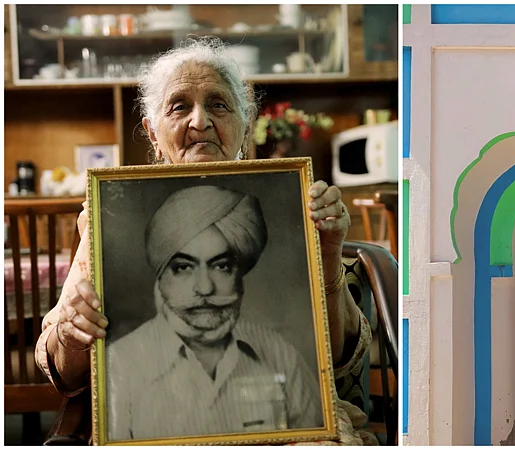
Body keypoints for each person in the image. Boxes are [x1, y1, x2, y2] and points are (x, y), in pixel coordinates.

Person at [34, 37, 376, 446]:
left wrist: (330, 250)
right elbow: (63, 373)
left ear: (245, 125)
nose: (200, 122)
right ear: (153, 132)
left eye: (218, 104)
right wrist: (72, 332)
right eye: (179, 106)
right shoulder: (109, 215)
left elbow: (339, 364)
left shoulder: (296, 204)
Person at [105, 185, 323, 440]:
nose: (205, 288)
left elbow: (318, 441)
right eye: (184, 267)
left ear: (239, 275)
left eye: (221, 266)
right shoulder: (120, 364)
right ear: (160, 277)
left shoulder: (277, 351)